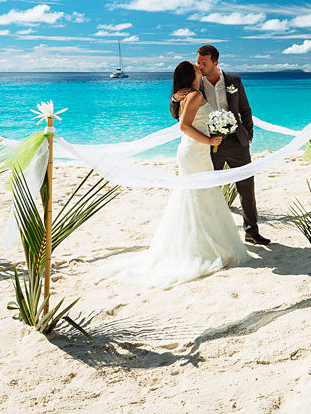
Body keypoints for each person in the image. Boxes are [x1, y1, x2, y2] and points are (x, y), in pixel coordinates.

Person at [99, 62, 249, 288]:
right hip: (194, 151)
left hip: (194, 151)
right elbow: (184, 126)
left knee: (197, 197)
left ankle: (203, 243)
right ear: (192, 74)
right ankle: (203, 247)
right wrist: (209, 140)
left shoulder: (185, 95)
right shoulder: (194, 95)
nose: (199, 66)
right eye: (195, 66)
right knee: (200, 196)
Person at [170, 44, 271, 245]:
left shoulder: (234, 81)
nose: (199, 65)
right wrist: (174, 98)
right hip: (208, 144)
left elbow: (245, 110)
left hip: (236, 140)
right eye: (197, 61)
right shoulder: (194, 86)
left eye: (203, 62)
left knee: (246, 186)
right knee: (209, 188)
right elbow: (177, 115)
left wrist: (248, 135)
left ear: (215, 62)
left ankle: (252, 232)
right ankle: (210, 235)